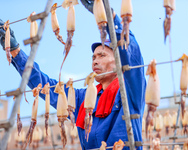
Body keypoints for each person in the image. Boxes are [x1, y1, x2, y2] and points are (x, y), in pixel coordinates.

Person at [0, 8, 146, 150]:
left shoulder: (131, 89)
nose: (95, 61)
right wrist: (15, 52)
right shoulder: (82, 98)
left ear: (119, 61)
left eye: (102, 56)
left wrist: (108, 15)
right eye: (93, 57)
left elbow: (132, 54)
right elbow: (45, 85)